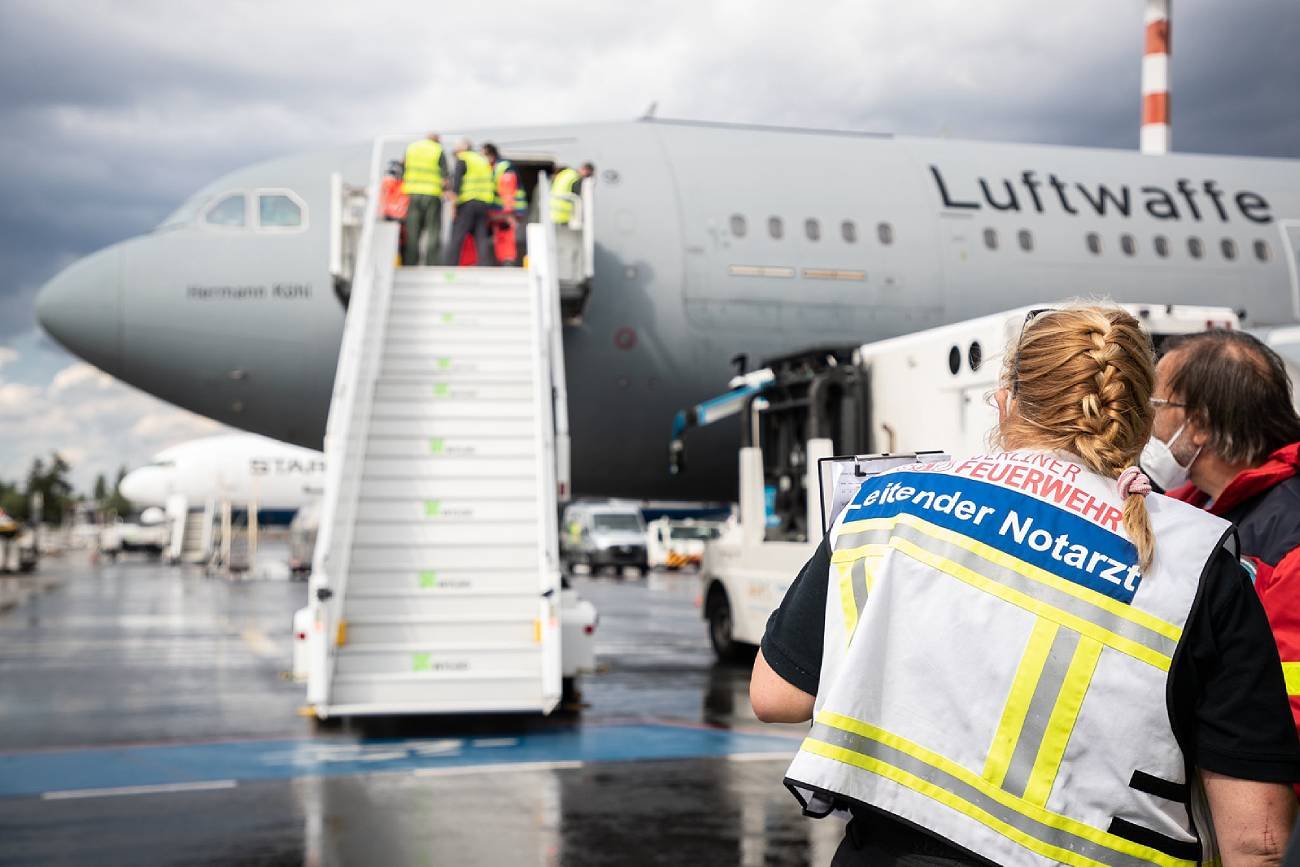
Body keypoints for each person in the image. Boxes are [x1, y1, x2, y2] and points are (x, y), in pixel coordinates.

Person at [752, 306, 1300, 866]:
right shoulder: (1198, 559)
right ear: (1138, 421)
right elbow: (1255, 840)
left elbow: (776, 696)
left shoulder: (887, 499)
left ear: (1007, 402)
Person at [1144, 329, 1300, 776]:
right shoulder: (1192, 506)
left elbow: (1286, 709)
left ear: (1199, 425)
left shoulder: (1289, 537)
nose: (1148, 423)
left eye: (1157, 406)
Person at [442, 138, 496, 266]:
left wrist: (453, 206)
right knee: (481, 237)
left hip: (468, 202)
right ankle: (484, 266)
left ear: (465, 147)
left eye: (457, 147)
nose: (455, 150)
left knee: (457, 236)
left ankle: (451, 265)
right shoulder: (482, 160)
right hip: (483, 203)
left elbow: (457, 185)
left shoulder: (463, 158)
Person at [400, 133, 449, 266]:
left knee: (412, 231)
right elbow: (445, 178)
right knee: (433, 231)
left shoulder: (411, 148)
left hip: (412, 194)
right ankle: (431, 263)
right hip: (432, 194)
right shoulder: (438, 150)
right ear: (437, 140)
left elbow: (402, 168)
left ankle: (410, 263)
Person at [483, 143, 525, 266]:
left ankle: (507, 260)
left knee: (505, 234)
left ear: (491, 155)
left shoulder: (503, 167)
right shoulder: (493, 167)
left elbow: (508, 190)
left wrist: (508, 212)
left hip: (505, 210)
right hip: (497, 210)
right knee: (500, 235)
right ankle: (504, 260)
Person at [550, 162, 594, 226]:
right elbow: (577, 196)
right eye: (588, 175)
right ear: (585, 170)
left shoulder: (566, 173)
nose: (586, 177)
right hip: (563, 214)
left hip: (553, 212)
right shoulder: (576, 178)